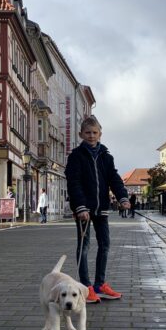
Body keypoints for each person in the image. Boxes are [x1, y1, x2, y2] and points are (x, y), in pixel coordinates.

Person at [66, 115, 130, 304]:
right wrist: (80, 207)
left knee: (105, 245)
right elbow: (74, 183)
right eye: (88, 133)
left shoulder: (106, 156)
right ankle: (85, 287)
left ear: (100, 134)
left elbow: (114, 179)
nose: (91, 136)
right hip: (83, 210)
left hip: (101, 208)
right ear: (81, 134)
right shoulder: (76, 156)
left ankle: (99, 284)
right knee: (84, 246)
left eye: (94, 133)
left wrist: (123, 198)